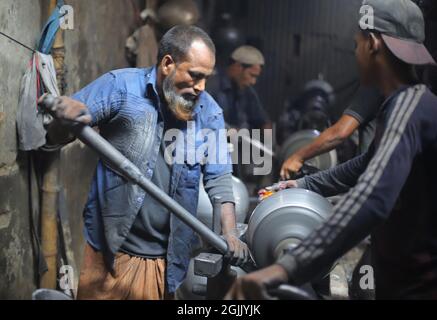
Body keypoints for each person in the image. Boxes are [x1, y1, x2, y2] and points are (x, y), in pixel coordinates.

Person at [226, 0, 437, 300]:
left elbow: (371, 196)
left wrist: (285, 267)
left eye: (356, 44)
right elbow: (365, 165)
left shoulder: (408, 107)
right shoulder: (403, 105)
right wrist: (302, 184)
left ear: (373, 44)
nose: (354, 53)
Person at [44, 25, 249, 300]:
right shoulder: (121, 87)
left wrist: (231, 233)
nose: (201, 87)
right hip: (109, 253)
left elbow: (220, 178)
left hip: (166, 261)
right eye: (195, 76)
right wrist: (64, 121)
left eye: (206, 78)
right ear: (168, 64)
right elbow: (55, 136)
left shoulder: (208, 112)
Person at [280, 86, 384, 180]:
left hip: (371, 176)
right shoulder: (395, 92)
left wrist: (297, 157)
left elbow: (339, 132)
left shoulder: (375, 88)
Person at [207, 45, 272, 130]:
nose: (253, 81)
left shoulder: (248, 91)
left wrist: (269, 136)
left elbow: (261, 119)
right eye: (251, 75)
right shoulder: (212, 86)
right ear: (237, 67)